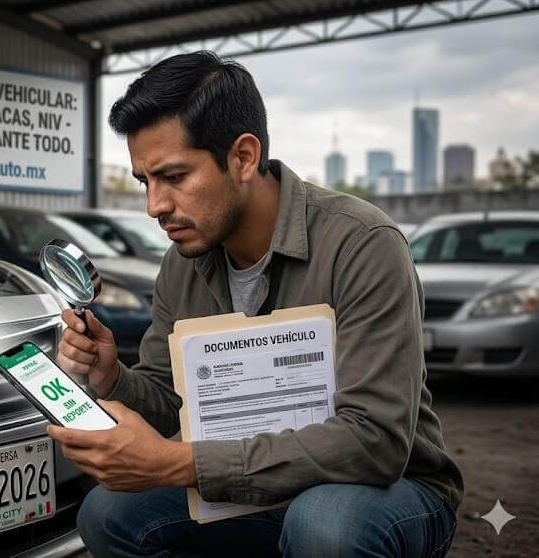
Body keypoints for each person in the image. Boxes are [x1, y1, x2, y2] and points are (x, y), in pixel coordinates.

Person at [46, 51, 463, 557]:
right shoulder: (182, 262)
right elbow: (170, 405)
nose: (155, 205)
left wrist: (180, 464)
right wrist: (112, 378)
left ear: (243, 157)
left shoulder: (362, 244)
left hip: (385, 491)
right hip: (247, 492)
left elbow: (374, 441)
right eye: (144, 182)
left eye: (174, 177)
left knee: (324, 525)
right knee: (106, 514)